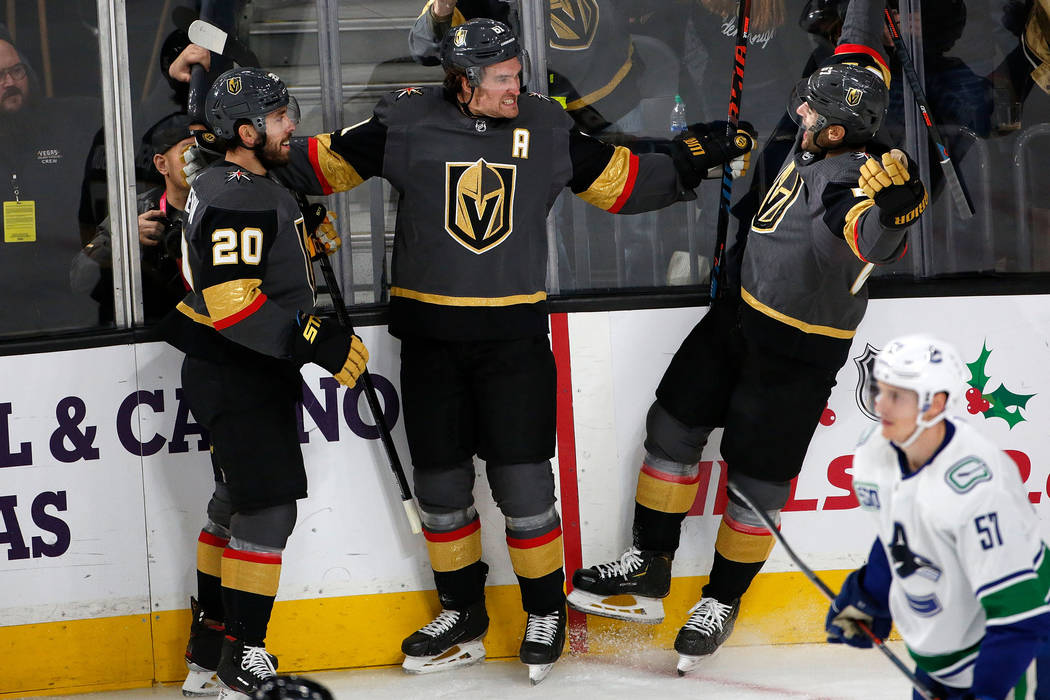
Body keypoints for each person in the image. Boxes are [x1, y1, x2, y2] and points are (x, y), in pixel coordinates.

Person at [253, 17, 752, 685]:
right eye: (505, 78)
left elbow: (618, 180)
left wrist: (690, 157)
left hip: (514, 343)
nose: (519, 84)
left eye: (518, 73)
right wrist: (242, 138)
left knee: (523, 488)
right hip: (430, 343)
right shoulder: (404, 124)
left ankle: (544, 611)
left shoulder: (544, 126)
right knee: (440, 489)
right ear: (464, 85)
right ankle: (463, 612)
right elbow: (315, 165)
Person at [566, 0, 930, 675]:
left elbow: (866, 238)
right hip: (738, 312)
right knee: (671, 425)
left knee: (757, 483)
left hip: (795, 348)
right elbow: (858, 38)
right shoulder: (843, 102)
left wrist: (898, 215)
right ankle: (649, 566)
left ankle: (720, 601)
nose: (802, 115)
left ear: (841, 133)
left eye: (814, 115)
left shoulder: (850, 184)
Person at [159, 67, 369, 698]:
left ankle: (206, 645)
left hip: (233, 367)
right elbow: (233, 304)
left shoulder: (238, 180)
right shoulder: (238, 195)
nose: (291, 126)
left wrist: (299, 247)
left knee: (234, 503)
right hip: (237, 369)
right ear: (245, 132)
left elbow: (245, 268)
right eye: (278, 118)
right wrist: (319, 341)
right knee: (268, 508)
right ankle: (241, 654)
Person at [826, 334, 1050, 700]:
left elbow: (1019, 618)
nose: (880, 404)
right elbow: (897, 535)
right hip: (944, 655)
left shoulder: (978, 488)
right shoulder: (874, 453)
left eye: (896, 396)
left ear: (935, 404)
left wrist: (987, 693)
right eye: (879, 390)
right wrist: (871, 598)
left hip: (1012, 654)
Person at [0, 30, 101, 335]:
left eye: (16, 71)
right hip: (5, 317)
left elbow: (138, 118)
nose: (10, 83)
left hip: (71, 306)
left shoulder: (68, 120)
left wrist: (172, 77)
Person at [70, 112, 197, 323]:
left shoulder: (226, 204)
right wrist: (120, 239)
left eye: (204, 150)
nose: (198, 158)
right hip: (154, 333)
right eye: (189, 150)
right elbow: (79, 279)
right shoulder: (135, 211)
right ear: (162, 164)